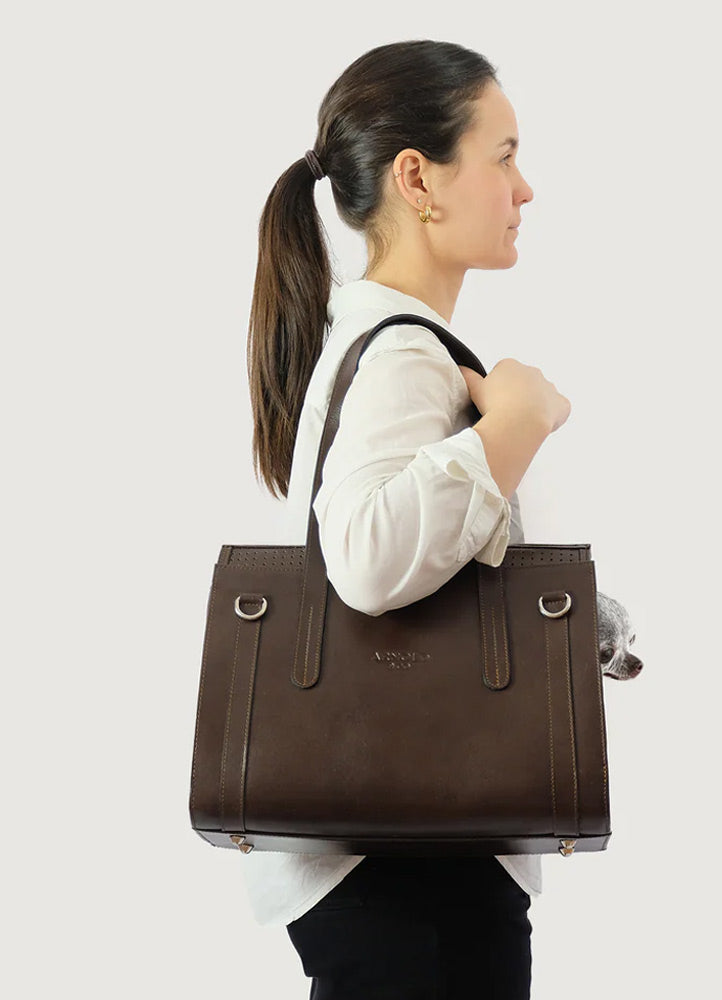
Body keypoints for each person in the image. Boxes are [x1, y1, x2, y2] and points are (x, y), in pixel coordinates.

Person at [244, 39, 571, 999]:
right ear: (418, 178)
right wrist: (517, 421)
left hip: (395, 861)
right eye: (503, 155)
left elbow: (429, 577)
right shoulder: (403, 354)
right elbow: (371, 561)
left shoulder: (377, 340)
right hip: (412, 866)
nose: (525, 189)